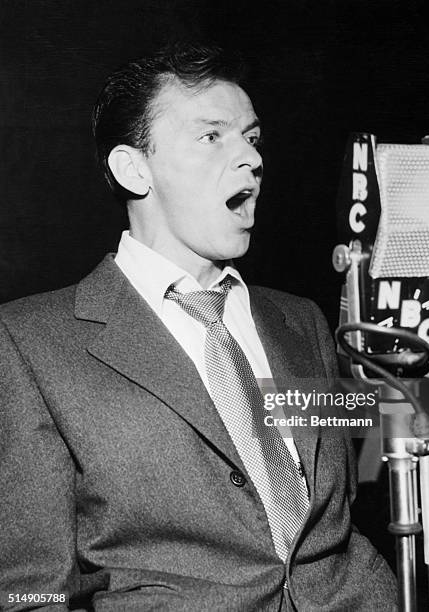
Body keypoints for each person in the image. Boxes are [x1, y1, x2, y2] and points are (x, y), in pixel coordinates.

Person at [0, 43, 397, 611]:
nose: (252, 159)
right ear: (133, 168)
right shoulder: (28, 343)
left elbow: (361, 461)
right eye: (212, 136)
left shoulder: (299, 320)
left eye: (252, 138)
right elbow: (28, 590)